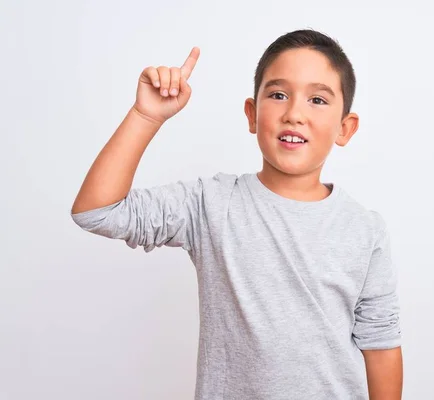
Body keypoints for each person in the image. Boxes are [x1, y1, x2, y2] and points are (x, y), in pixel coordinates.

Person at [71, 29, 403, 399]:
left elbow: (381, 343)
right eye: (278, 95)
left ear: (345, 127)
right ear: (252, 113)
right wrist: (146, 115)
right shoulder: (210, 203)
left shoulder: (364, 229)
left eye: (317, 100)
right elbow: (96, 211)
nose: (294, 113)